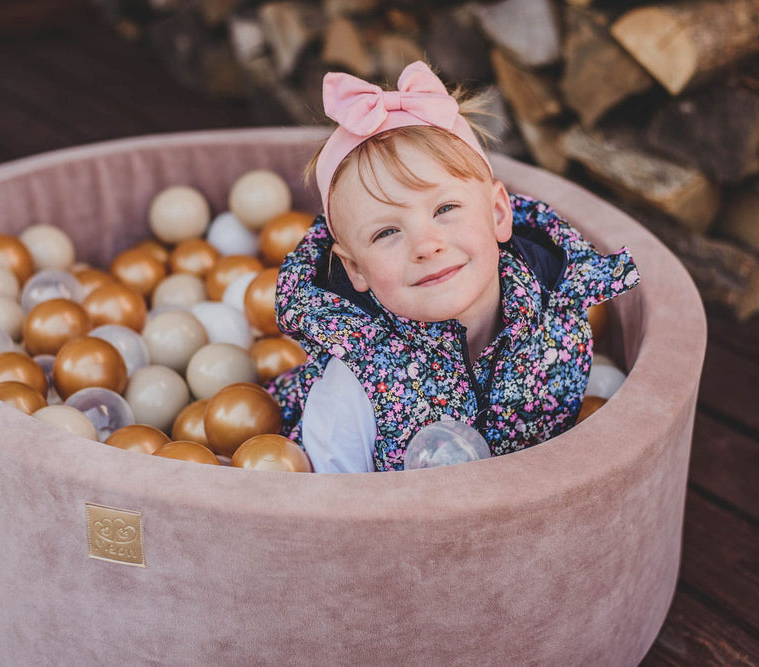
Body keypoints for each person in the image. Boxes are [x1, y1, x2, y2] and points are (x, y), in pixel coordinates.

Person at [267, 61, 640, 472]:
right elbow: (338, 504)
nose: (427, 245)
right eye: (387, 232)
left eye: (445, 208)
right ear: (356, 269)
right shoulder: (355, 384)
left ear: (498, 214)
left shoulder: (557, 316)